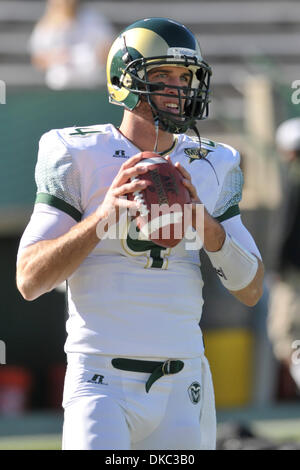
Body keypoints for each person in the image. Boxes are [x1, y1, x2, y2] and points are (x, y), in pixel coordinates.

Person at [16, 18, 264, 450]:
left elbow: (252, 288)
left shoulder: (214, 162)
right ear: (124, 80)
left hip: (184, 380)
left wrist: (206, 226)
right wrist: (102, 218)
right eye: (162, 75)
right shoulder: (77, 153)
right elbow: (29, 279)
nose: (178, 87)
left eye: (185, 77)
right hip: (100, 380)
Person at [267, 117, 300, 393]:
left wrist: (277, 266)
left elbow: (287, 228)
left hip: (294, 276)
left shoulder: (294, 180)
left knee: (285, 337)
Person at [29, 0, 115, 89]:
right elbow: (38, 59)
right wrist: (57, 58)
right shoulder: (46, 26)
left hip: (91, 88)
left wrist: (92, 56)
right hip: (59, 91)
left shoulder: (94, 19)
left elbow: (109, 50)